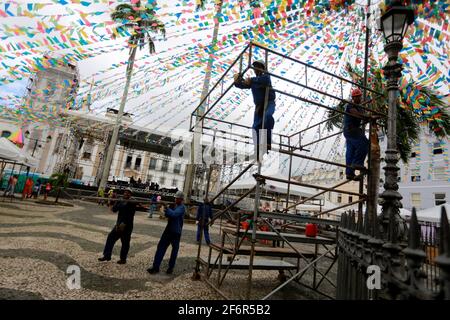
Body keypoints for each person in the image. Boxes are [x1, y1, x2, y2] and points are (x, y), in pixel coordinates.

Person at [234, 60, 276, 160]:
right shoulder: (254, 81)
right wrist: (237, 80)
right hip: (258, 107)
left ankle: (268, 142)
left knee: (268, 117)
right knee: (255, 127)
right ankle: (257, 150)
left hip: (268, 103)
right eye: (255, 67)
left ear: (263, 68)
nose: (256, 69)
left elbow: (264, 80)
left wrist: (251, 80)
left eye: (258, 67)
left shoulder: (266, 77)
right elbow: (242, 85)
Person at [147, 191, 186, 275]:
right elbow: (168, 215)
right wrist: (166, 209)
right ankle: (155, 267)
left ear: (181, 199)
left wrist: (166, 207)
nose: (175, 199)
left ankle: (170, 268)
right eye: (175, 198)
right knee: (161, 247)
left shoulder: (182, 207)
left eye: (177, 198)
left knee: (174, 250)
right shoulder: (175, 206)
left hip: (176, 232)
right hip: (169, 230)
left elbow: (174, 214)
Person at [98, 189, 137, 264]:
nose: (126, 194)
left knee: (125, 243)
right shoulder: (121, 201)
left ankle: (123, 259)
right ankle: (107, 255)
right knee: (110, 238)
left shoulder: (132, 202)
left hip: (127, 226)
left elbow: (131, 211)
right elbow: (114, 210)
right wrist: (114, 202)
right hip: (119, 225)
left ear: (130, 194)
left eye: (128, 193)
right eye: (125, 192)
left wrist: (123, 202)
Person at [343, 88, 369, 181]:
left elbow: (361, 115)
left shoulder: (360, 107)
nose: (359, 98)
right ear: (354, 98)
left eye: (359, 96)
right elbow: (356, 114)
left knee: (351, 151)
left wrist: (365, 116)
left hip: (349, 131)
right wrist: (367, 117)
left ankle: (349, 173)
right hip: (352, 130)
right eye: (357, 97)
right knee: (365, 144)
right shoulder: (350, 105)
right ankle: (357, 163)